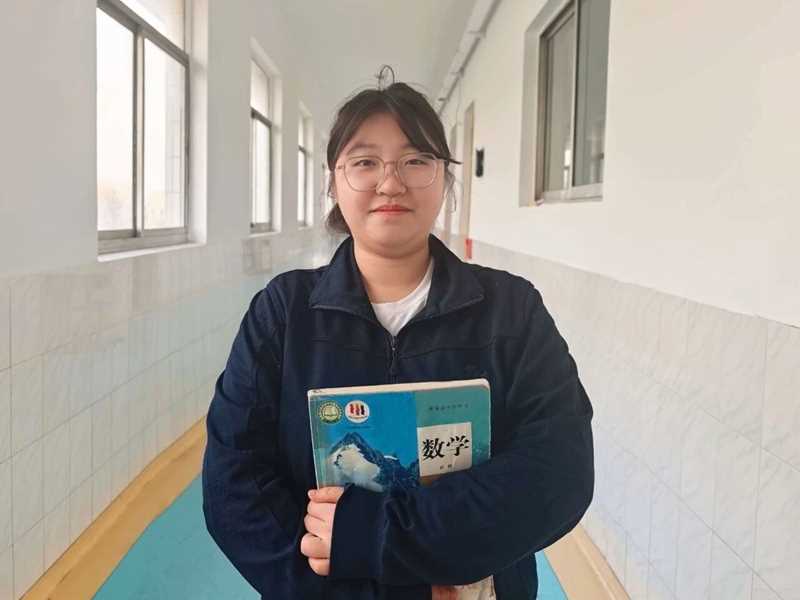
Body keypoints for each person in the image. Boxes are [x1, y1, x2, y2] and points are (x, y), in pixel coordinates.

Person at [201, 66, 595, 600]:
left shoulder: (511, 311)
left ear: (445, 178)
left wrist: (375, 535)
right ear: (334, 182)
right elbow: (234, 488)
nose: (391, 183)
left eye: (416, 161)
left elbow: (560, 473)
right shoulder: (284, 314)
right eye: (365, 162)